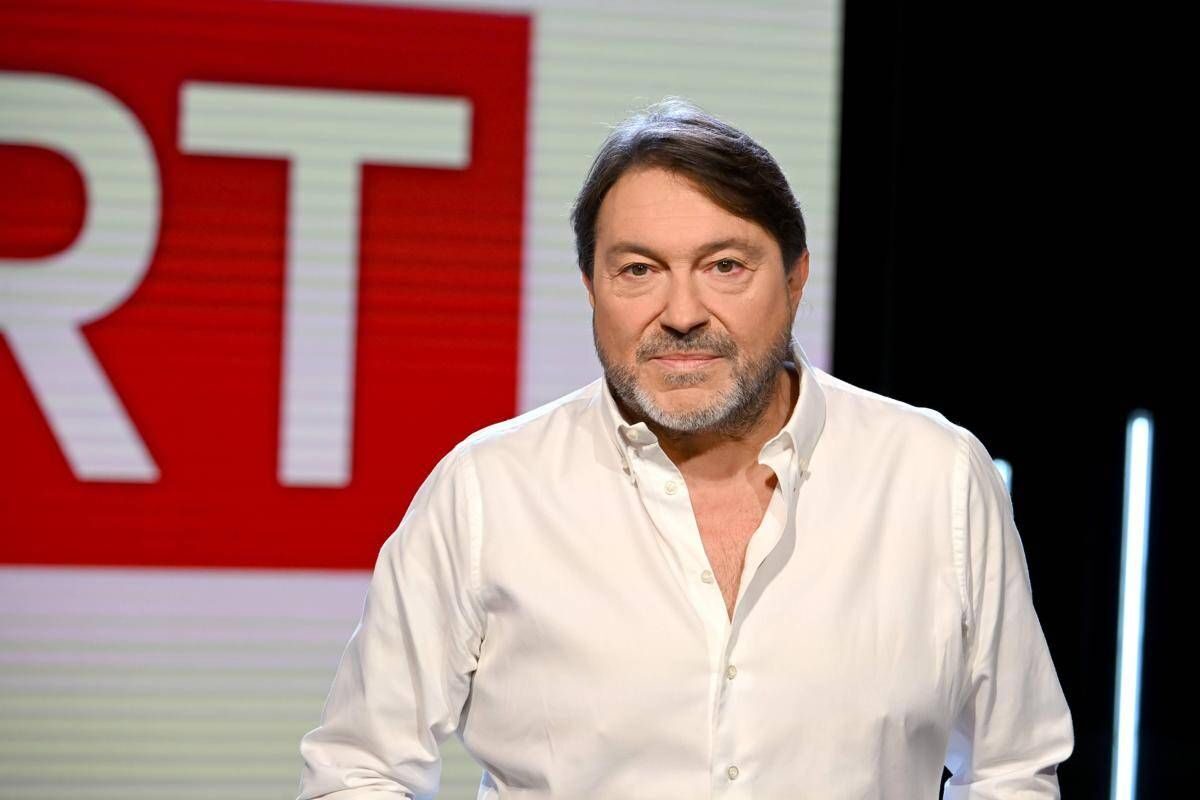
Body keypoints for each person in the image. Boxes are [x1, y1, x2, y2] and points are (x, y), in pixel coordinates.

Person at [297, 98, 1073, 799]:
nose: (681, 313)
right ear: (591, 286)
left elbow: (1012, 770)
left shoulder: (935, 476)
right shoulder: (488, 490)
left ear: (795, 279)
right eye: (639, 270)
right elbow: (358, 770)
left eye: (724, 266)